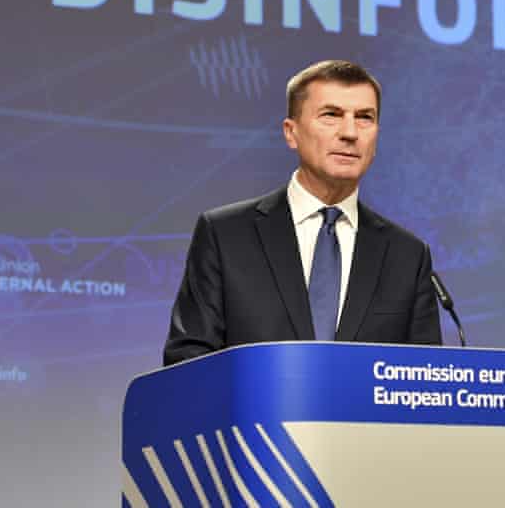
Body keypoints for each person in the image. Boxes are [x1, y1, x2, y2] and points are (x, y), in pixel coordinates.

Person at [164, 60, 442, 365]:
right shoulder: (226, 235)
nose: (350, 132)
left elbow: (424, 377)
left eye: (364, 117)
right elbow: (187, 361)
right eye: (331, 115)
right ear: (291, 132)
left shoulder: (407, 256)